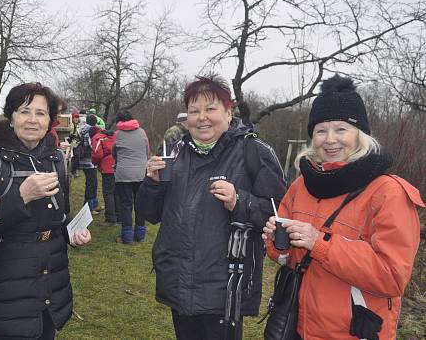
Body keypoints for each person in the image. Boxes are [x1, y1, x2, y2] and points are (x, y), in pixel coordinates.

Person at [263, 75, 424, 340]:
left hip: (354, 332)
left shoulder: (388, 192)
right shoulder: (302, 185)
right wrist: (277, 241)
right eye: (321, 130)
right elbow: (286, 258)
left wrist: (320, 243)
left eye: (341, 129)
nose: (330, 139)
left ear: (360, 134)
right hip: (299, 327)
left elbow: (392, 277)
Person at [136, 76, 286, 340]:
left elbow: (279, 216)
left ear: (229, 113)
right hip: (178, 281)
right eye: (194, 111)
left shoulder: (254, 152)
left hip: (224, 289)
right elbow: (149, 214)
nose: (201, 117)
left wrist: (239, 201)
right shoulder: (176, 153)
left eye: (210, 109)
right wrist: (153, 183)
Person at [0, 82, 92, 340]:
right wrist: (22, 196)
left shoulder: (54, 157)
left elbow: (58, 218)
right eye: (24, 111)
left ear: (49, 121)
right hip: (6, 292)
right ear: (11, 117)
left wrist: (71, 234)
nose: (32, 120)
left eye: (41, 113)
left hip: (50, 287)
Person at [113, 110, 150, 243]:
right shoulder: (142, 132)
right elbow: (147, 151)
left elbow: (114, 153)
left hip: (124, 174)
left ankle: (127, 236)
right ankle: (140, 234)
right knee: (140, 203)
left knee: (125, 204)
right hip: (141, 172)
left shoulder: (117, 134)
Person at [91, 126, 118, 226]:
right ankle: (118, 215)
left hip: (107, 168)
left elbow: (97, 154)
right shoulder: (115, 136)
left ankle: (110, 219)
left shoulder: (98, 138)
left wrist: (95, 162)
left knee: (108, 193)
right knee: (116, 192)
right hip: (118, 166)